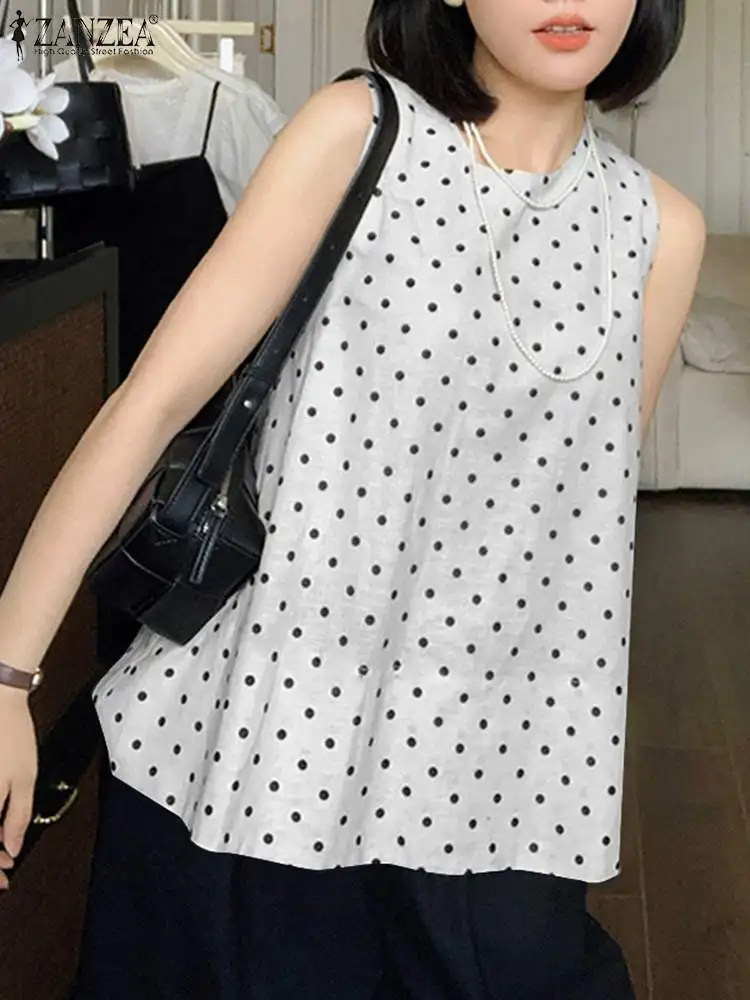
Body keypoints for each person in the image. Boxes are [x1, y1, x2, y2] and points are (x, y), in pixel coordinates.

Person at [0, 0, 704, 997]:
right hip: (266, 751)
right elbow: (151, 402)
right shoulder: (358, 134)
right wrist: (6, 677)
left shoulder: (660, 231)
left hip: (498, 784)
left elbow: (577, 536)